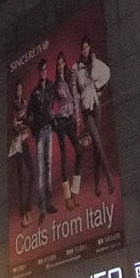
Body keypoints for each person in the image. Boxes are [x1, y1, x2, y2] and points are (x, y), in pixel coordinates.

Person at [73, 35, 114, 196]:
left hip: (96, 104)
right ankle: (109, 180)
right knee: (97, 141)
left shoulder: (96, 64)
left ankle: (96, 185)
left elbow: (107, 73)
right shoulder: (76, 68)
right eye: (82, 48)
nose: (84, 51)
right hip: (85, 108)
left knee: (97, 146)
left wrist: (98, 88)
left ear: (89, 47)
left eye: (86, 48)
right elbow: (76, 91)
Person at [27, 58, 58, 222]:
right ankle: (42, 208)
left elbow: (54, 103)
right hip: (40, 132)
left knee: (48, 167)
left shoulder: (51, 86)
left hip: (49, 129)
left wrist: (54, 119)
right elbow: (28, 114)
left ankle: (50, 203)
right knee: (40, 170)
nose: (44, 72)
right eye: (42, 70)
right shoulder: (35, 92)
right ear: (40, 72)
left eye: (46, 69)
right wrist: (34, 131)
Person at [53, 51, 83, 209]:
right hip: (60, 120)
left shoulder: (71, 76)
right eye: (58, 64)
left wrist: (78, 120)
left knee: (80, 150)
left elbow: (76, 97)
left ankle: (75, 190)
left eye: (62, 63)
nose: (60, 66)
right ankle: (67, 197)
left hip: (71, 119)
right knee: (64, 155)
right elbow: (53, 104)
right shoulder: (56, 83)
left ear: (65, 63)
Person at [9, 80, 35, 227]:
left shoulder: (24, 102)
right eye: (17, 90)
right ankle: (23, 213)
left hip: (25, 141)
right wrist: (20, 122)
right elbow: (14, 125)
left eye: (20, 89)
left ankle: (27, 207)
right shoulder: (14, 106)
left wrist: (24, 122)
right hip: (17, 143)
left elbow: (27, 122)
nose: (19, 92)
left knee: (32, 171)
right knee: (21, 177)